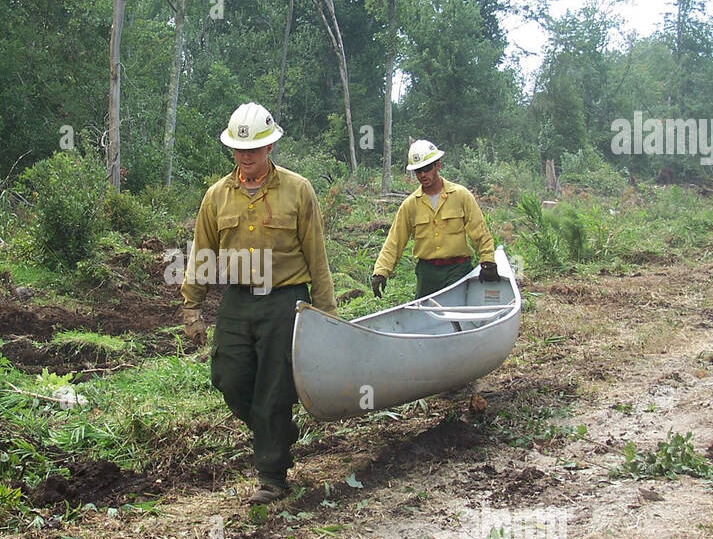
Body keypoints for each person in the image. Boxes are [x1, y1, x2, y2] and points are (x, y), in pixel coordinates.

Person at [180, 103, 337, 505]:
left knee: (274, 386)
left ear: (270, 147)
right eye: (240, 150)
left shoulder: (298, 190)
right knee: (228, 377)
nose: (247, 157)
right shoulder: (216, 196)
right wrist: (191, 306)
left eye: (255, 149)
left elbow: (315, 253)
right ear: (233, 150)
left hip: (285, 300)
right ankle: (278, 432)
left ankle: (271, 475)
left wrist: (327, 312)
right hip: (237, 300)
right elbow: (202, 253)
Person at [371, 140, 498, 302]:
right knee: (426, 317)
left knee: (455, 311)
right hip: (427, 273)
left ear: (438, 165)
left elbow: (479, 231)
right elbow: (394, 242)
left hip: (457, 268)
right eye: (418, 171)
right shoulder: (410, 205)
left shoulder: (461, 196)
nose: (423, 175)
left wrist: (487, 260)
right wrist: (381, 272)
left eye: (426, 169)